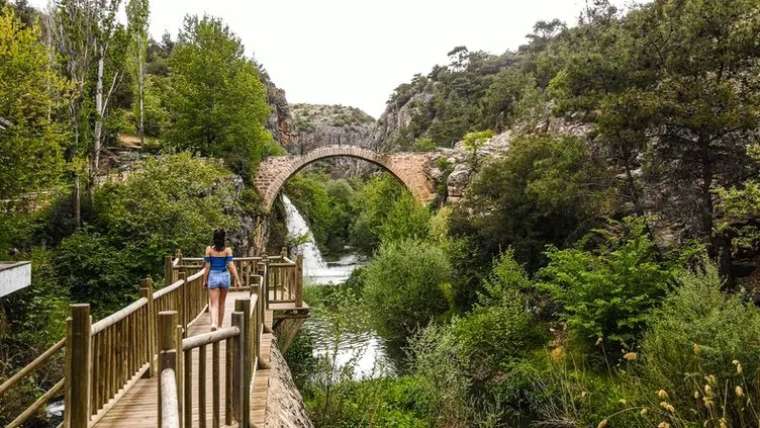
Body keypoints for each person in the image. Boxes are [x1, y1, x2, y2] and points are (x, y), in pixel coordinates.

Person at [202, 229, 241, 330]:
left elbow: (207, 266)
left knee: (214, 303)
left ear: (214, 238)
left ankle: (214, 324)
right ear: (224, 238)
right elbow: (231, 266)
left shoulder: (209, 250)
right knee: (222, 303)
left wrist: (205, 280)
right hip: (224, 276)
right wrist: (237, 279)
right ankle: (219, 326)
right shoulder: (227, 250)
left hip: (213, 276)